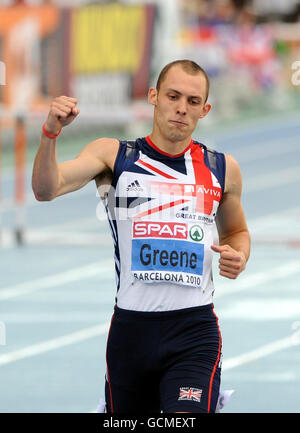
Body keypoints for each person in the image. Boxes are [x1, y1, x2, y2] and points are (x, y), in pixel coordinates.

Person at [32, 59, 250, 413]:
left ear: (205, 109)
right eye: (173, 96)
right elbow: (46, 188)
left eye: (193, 102)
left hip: (193, 331)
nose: (181, 108)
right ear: (153, 96)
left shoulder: (222, 169)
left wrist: (239, 255)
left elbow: (237, 232)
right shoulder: (114, 156)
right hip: (131, 333)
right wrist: (50, 133)